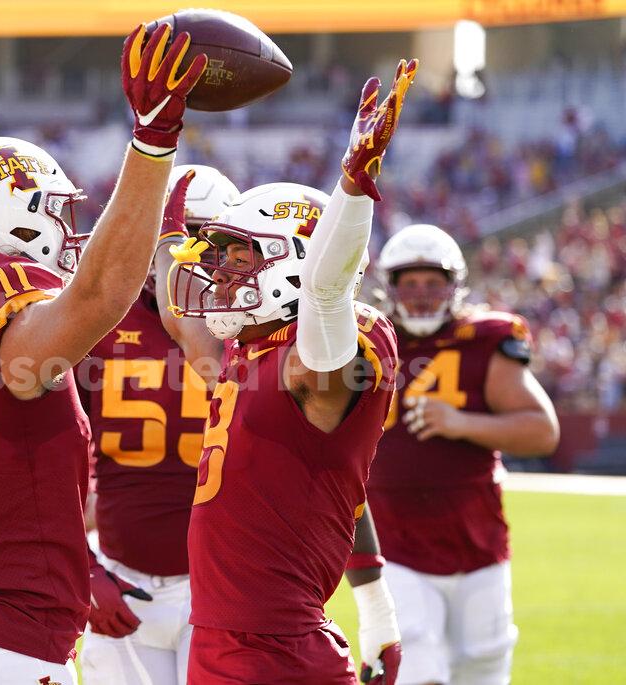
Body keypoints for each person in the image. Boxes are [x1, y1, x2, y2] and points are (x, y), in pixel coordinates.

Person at [0, 23, 207, 684]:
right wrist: (153, 141)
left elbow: (7, 480)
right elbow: (99, 295)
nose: (67, 230)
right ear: (9, 220)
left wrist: (76, 560)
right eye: (53, 212)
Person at [156, 59, 419, 684]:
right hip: (222, 640)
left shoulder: (325, 356)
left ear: (293, 261)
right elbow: (180, 316)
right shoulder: (249, 352)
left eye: (236, 254)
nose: (219, 271)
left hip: (279, 654)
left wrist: (353, 185)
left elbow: (326, 296)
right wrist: (163, 225)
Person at [367, 223, 560, 685]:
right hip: (393, 539)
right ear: (389, 287)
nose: (420, 295)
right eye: (409, 283)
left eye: (432, 283)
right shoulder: (366, 340)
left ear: (454, 286)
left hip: (477, 539)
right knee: (416, 665)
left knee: (485, 666)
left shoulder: (484, 339)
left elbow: (542, 432)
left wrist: (462, 423)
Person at [79, 165, 240, 685]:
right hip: (120, 570)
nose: (183, 254)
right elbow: (41, 461)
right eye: (170, 236)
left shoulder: (259, 326)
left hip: (226, 583)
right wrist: (79, 565)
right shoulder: (96, 320)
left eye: (201, 241)